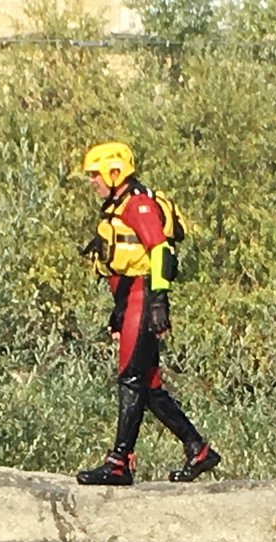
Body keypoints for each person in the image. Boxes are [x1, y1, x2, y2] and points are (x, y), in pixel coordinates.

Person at [76, 140, 221, 487]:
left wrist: (159, 302)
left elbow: (161, 252)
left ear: (115, 172)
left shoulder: (138, 204)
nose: (93, 181)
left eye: (96, 175)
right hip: (132, 300)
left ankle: (119, 462)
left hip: (145, 297)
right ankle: (198, 450)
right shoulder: (118, 204)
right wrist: (118, 313)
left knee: (130, 378)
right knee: (150, 386)